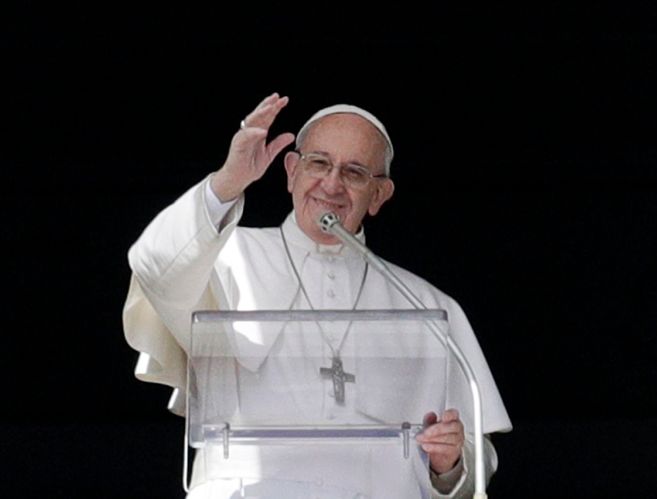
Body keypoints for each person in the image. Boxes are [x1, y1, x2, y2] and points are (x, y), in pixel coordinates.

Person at [123, 93, 512, 498]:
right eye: (319, 163)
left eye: (355, 172)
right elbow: (154, 264)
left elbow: (474, 456)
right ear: (291, 171)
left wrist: (448, 465)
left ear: (379, 195)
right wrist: (228, 180)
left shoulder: (427, 305)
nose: (332, 184)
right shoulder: (224, 258)